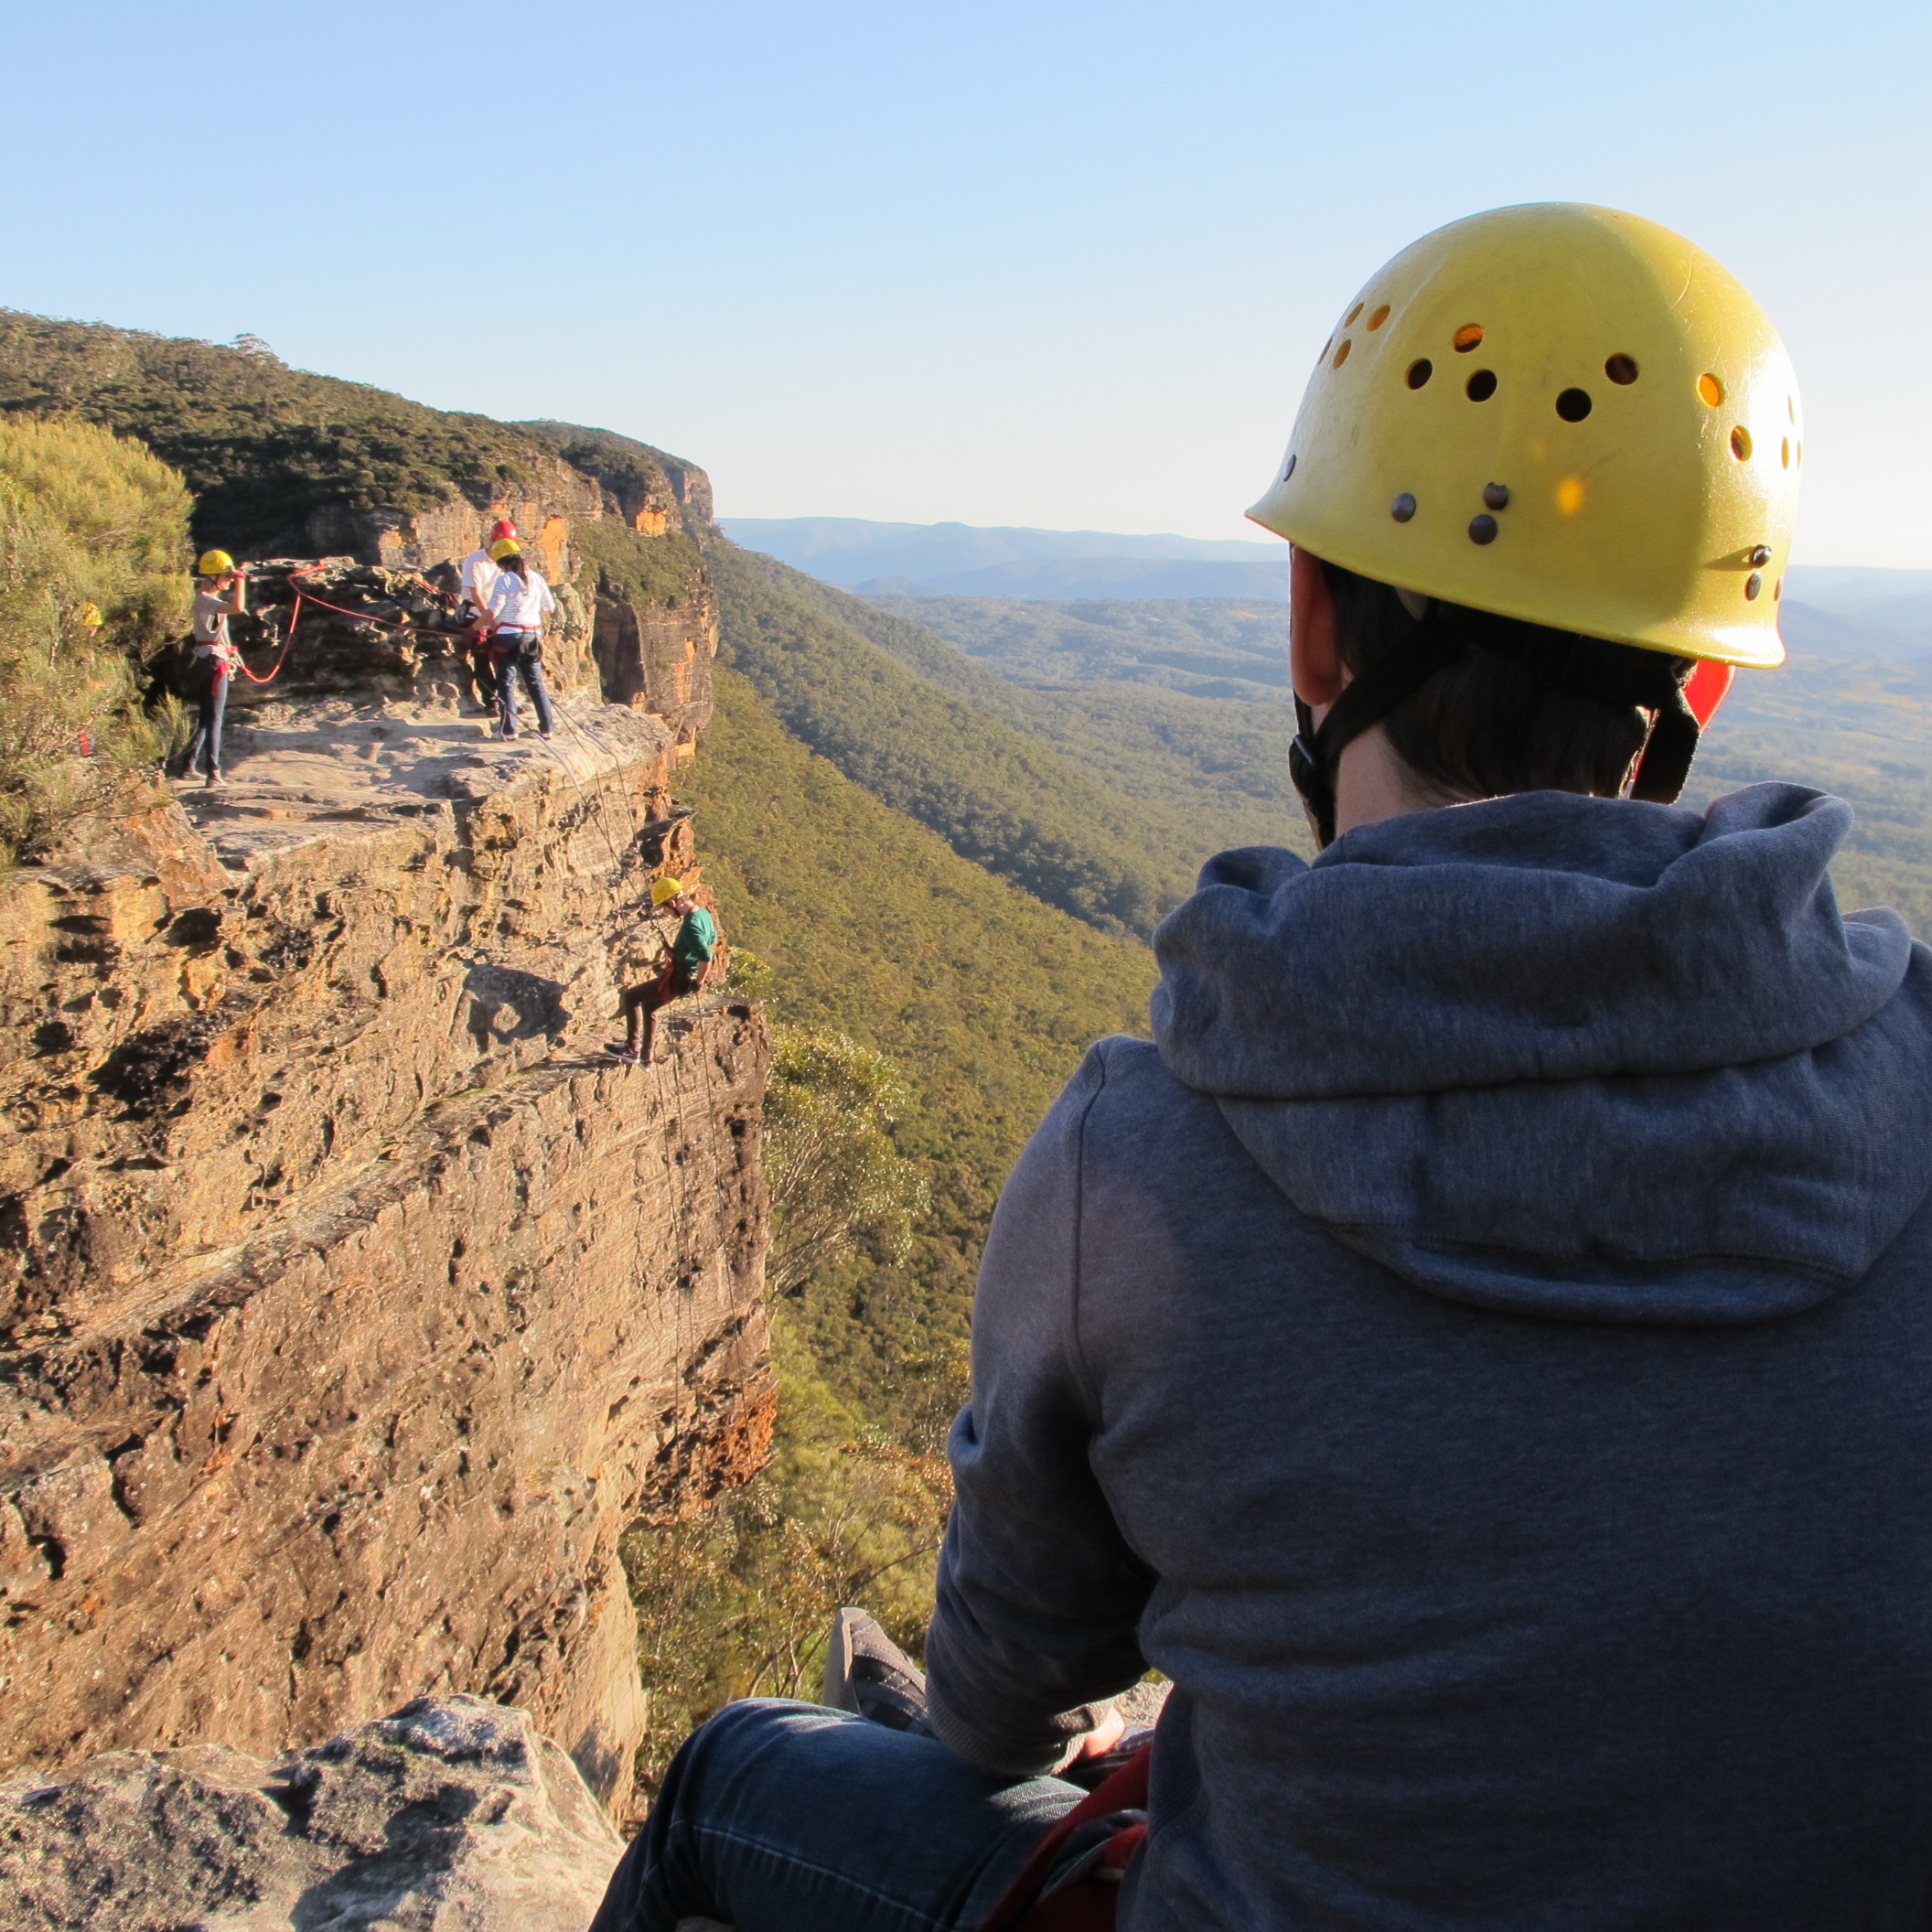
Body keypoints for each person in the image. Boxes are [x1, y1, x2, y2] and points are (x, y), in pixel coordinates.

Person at [591, 203, 1932, 1932]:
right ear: (1698, 686)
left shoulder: (1140, 1157)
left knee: (734, 1773)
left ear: (1313, 626)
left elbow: (1005, 1705)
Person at [608, 876, 717, 1066]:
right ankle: (645, 1056)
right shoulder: (703, 914)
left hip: (679, 978)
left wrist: (699, 981)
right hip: (682, 976)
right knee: (649, 1006)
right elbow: (711, 938)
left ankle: (631, 1049)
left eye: (665, 907)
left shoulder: (691, 925)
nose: (666, 912)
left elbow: (706, 956)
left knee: (631, 997)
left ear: (673, 902)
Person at [178, 547, 246, 787]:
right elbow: (238, 607)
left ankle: (189, 765)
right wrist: (241, 581)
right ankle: (214, 773)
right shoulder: (206, 600)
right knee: (215, 718)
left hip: (211, 660)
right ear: (212, 576)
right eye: (226, 576)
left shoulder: (206, 600)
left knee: (208, 717)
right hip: (215, 662)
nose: (228, 580)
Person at [482, 541, 556, 739]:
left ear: (501, 562)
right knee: (535, 682)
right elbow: (549, 607)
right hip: (532, 635)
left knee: (506, 682)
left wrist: (474, 628)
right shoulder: (537, 579)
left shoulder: (505, 580)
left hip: (508, 636)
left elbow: (494, 610)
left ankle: (508, 730)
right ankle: (547, 728)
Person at [454, 518, 515, 714]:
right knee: (482, 658)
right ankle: (491, 701)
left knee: (504, 660)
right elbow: (476, 594)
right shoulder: (475, 561)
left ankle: (507, 699)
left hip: (500, 613)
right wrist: (489, 620)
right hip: (476, 613)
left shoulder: (508, 562)